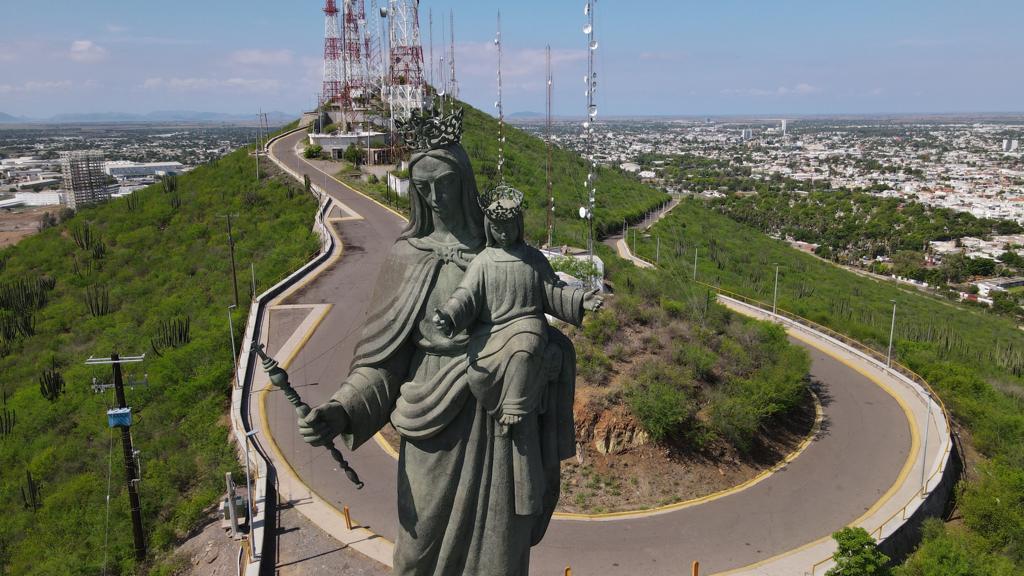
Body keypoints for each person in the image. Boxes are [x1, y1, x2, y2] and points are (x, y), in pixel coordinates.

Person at [297, 106, 581, 576]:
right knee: (416, 555)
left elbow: (541, 325)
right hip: (430, 420)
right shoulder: (408, 257)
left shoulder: (505, 254)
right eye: (423, 188)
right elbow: (383, 363)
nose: (435, 198)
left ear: (465, 183)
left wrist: (550, 358)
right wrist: (341, 410)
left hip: (500, 422)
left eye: (444, 184)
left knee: (499, 558)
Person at [431, 184, 601, 515]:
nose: (504, 232)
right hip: (491, 336)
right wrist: (449, 315)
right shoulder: (483, 261)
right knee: (498, 359)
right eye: (497, 226)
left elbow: (554, 292)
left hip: (527, 328)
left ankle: (515, 406)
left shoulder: (533, 259)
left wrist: (581, 300)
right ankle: (508, 403)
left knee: (526, 346)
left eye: (509, 225)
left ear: (518, 224)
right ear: (489, 227)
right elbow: (465, 297)